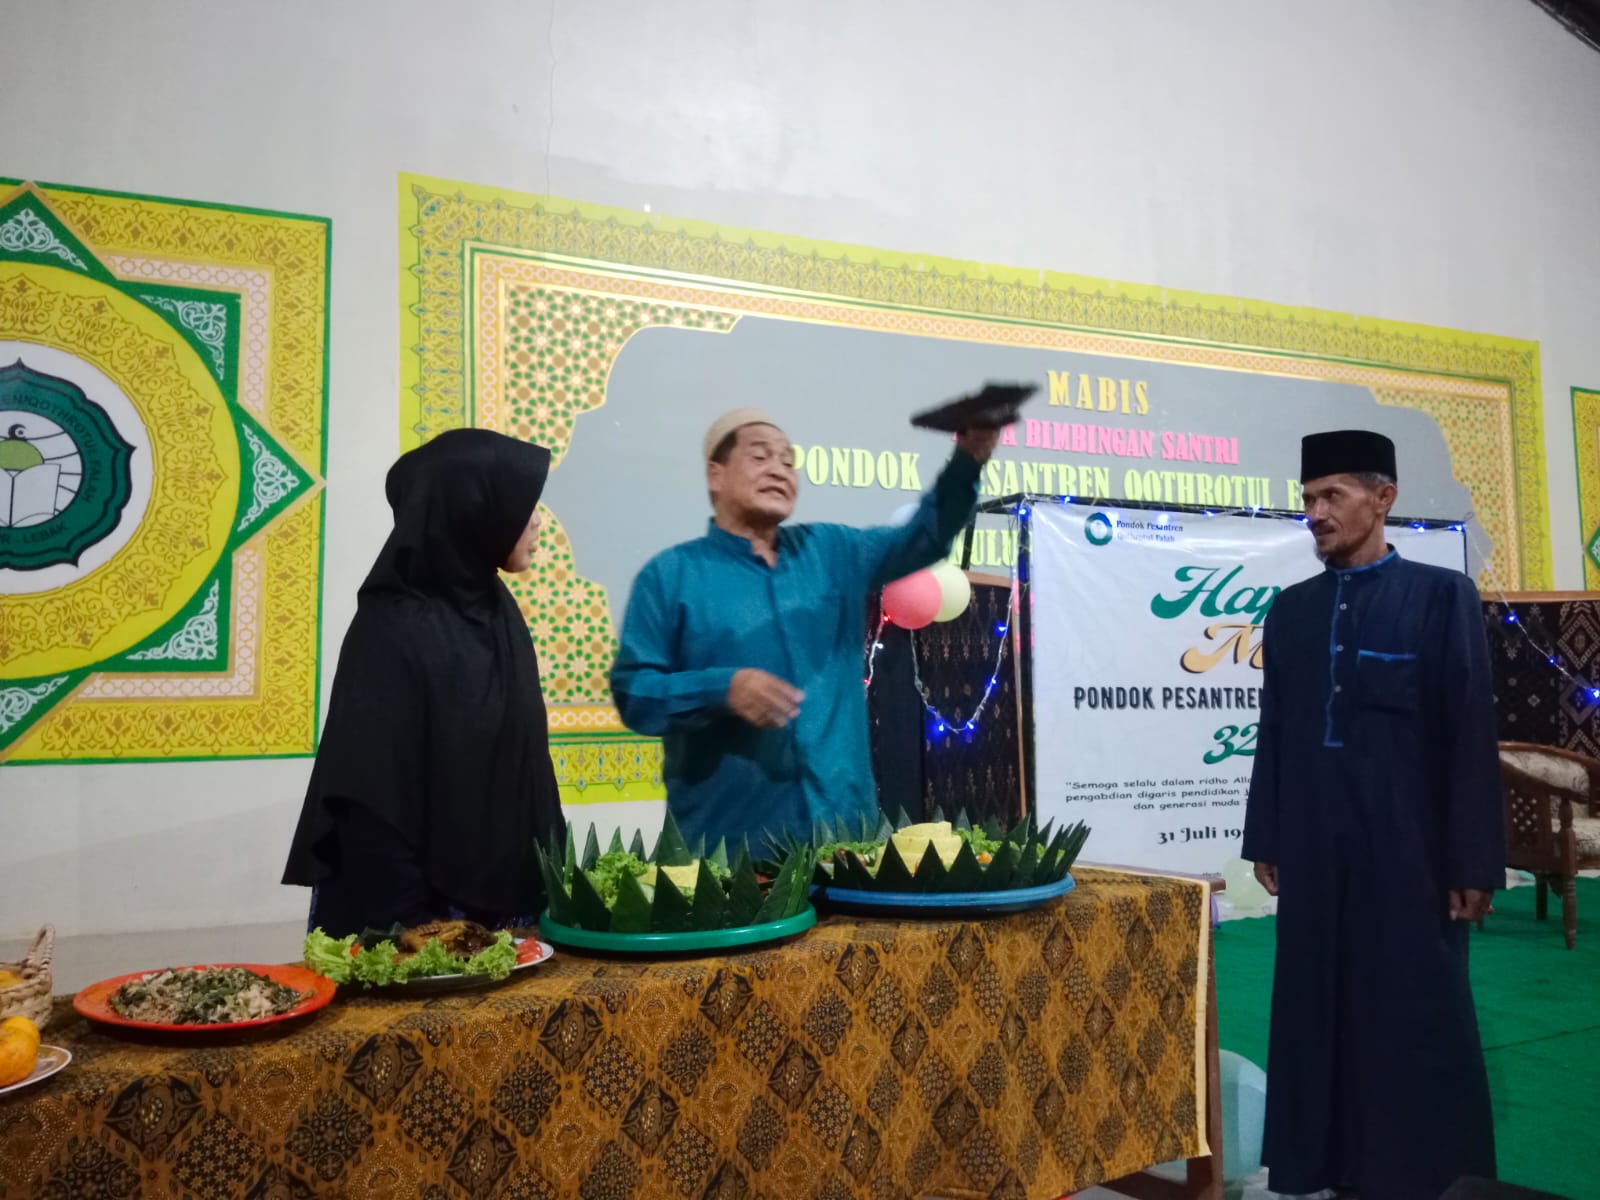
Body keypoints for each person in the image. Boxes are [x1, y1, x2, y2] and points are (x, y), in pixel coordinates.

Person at [1242, 429, 1503, 1199]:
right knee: (1317, 1005)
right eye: (1309, 499)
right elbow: (1275, 732)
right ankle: (1325, 1166)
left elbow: (1467, 731)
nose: (1316, 513)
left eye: (1333, 496)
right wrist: (1268, 836)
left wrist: (1473, 860)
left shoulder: (1441, 597)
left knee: (1414, 1009)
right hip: (1315, 851)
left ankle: (1425, 1174)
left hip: (1411, 854)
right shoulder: (1291, 611)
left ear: (1382, 498)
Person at [610, 408, 999, 850]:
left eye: (788, 460)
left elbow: (924, 536)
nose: (778, 469)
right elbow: (634, 693)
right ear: (715, 474)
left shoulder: (832, 551)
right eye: (760, 457)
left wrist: (969, 459)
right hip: (732, 851)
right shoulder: (669, 576)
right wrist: (722, 689)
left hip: (846, 841)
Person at [282, 429, 565, 936]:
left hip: (512, 912)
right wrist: (417, 931)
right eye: (523, 503)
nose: (536, 520)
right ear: (472, 509)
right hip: (416, 920)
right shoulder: (391, 631)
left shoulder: (496, 611)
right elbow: (369, 796)